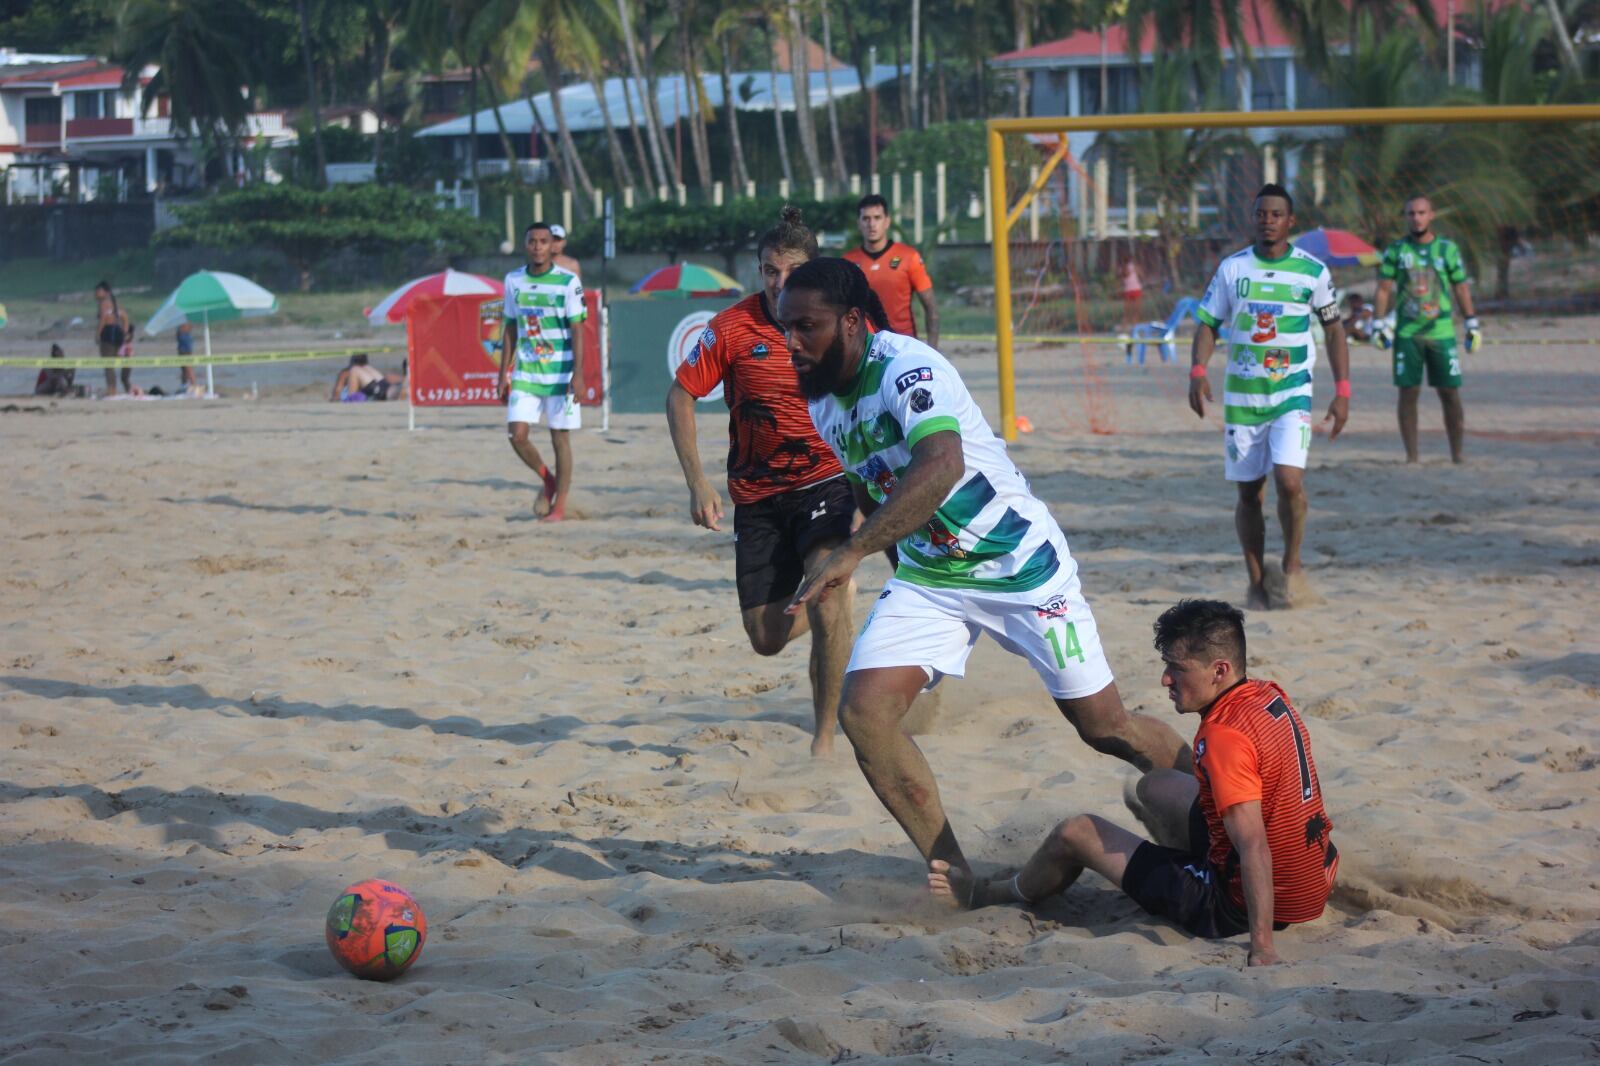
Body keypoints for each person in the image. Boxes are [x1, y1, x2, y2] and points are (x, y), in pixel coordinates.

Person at [780, 257, 1192, 879]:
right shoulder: (823, 405)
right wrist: (895, 581)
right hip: (930, 580)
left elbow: (940, 465)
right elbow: (873, 488)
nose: (791, 342)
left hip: (1020, 566)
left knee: (1104, 726)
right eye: (784, 327)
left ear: (853, 323)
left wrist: (853, 550)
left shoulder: (908, 368)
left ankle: (1222, 808)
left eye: (806, 326)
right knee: (864, 714)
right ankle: (956, 877)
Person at [929, 599, 1337, 968]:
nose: (1165, 680)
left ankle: (988, 895)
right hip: (1316, 874)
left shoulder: (1222, 738)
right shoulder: (1268, 695)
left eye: (1177, 669)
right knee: (1156, 786)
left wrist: (1261, 946)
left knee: (1077, 832)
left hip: (1238, 906)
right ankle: (1179, 863)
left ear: (1220, 670)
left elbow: (1253, 845)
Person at [666, 207, 856, 757]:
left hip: (827, 483)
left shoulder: (837, 325)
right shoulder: (729, 328)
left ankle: (824, 739)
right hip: (757, 498)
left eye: (790, 271)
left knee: (825, 595)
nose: (778, 282)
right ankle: (839, 611)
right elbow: (680, 395)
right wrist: (698, 482)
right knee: (766, 638)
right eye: (769, 270)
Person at [1188, 184, 1350, 611]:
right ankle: (1257, 582)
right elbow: (1208, 324)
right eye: (1261, 213)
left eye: (1276, 214)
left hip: (1291, 395)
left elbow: (1334, 330)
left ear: (1289, 221)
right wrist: (1197, 371)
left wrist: (1343, 392)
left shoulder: (1312, 272)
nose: (1268, 220)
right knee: (1248, 494)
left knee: (1289, 482)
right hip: (1242, 398)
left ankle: (1293, 567)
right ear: (1253, 218)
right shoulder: (1232, 269)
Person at [1372, 195, 1479, 465]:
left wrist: (1471, 322)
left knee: (1449, 392)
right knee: (1408, 393)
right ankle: (1412, 457)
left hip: (1441, 332)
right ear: (1405, 217)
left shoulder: (1447, 249)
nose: (1416, 218)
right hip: (1407, 334)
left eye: (1421, 213)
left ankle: (1458, 454)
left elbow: (1461, 287)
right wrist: (1378, 323)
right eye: (1411, 213)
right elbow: (1384, 289)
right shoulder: (1396, 250)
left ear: (1431, 215)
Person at [500, 222, 587, 522]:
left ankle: (560, 506)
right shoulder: (513, 280)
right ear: (525, 245)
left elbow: (578, 328)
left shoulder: (568, 281)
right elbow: (510, 327)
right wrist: (503, 373)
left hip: (561, 374)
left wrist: (579, 373)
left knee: (559, 439)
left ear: (553, 246)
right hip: (526, 371)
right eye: (532, 241)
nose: (538, 246)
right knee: (516, 435)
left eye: (543, 241)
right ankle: (547, 479)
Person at [843, 194, 938, 347]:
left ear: (887, 221)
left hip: (903, 345)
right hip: (863, 347)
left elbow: (931, 308)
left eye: (877, 218)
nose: (871, 224)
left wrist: (933, 350)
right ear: (859, 223)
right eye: (866, 218)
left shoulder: (909, 257)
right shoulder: (847, 261)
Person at [93, 281, 132, 395]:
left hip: (108, 334)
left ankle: (112, 389)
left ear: (105, 292)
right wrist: (125, 332)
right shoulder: (115, 303)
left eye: (98, 291)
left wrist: (98, 334)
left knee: (108, 364)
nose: (96, 294)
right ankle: (125, 385)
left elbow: (103, 319)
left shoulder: (104, 304)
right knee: (121, 361)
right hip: (118, 334)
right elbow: (124, 316)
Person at [330, 354, 404, 402]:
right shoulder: (369, 369)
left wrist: (333, 399)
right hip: (383, 387)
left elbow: (337, 392)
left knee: (354, 371)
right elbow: (388, 378)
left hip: (374, 392)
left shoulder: (348, 372)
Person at [1119, 256, 1144, 333]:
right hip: (1136, 289)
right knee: (1136, 311)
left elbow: (1122, 280)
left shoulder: (1121, 269)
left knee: (1127, 312)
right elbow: (1141, 275)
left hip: (1128, 290)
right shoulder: (1134, 267)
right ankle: (1135, 328)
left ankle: (1123, 329)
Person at [176, 321, 198, 394]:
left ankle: (194, 386)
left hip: (185, 350)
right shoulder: (182, 331)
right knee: (184, 369)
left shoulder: (185, 329)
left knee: (189, 368)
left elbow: (186, 328)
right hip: (183, 349)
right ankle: (184, 385)